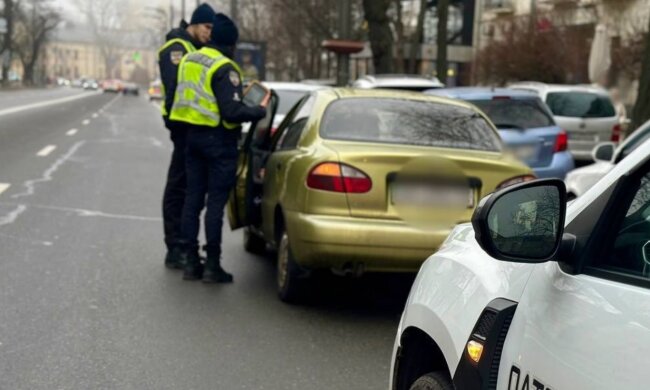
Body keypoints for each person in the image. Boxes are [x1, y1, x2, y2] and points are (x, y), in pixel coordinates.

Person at [170, 13, 268, 283]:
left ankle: (191, 261)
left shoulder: (190, 59)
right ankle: (212, 264)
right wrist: (258, 111)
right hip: (218, 143)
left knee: (192, 201)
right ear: (231, 44)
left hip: (192, 138)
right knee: (214, 205)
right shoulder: (225, 67)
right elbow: (231, 111)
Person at [158, 3, 215, 269]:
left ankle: (182, 244)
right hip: (182, 127)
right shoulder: (177, 48)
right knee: (178, 186)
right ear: (193, 24)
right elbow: (174, 89)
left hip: (193, 128)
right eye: (206, 27)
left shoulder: (196, 49)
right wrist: (174, 123)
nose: (209, 33)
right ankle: (174, 248)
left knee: (188, 187)